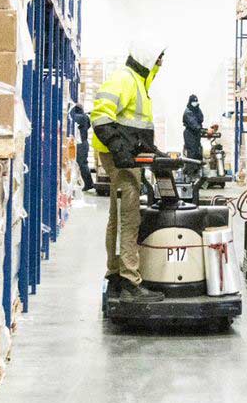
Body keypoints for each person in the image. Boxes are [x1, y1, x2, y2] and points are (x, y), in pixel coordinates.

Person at [90, 42, 165, 300]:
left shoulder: (140, 84)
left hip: (127, 158)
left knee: (118, 215)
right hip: (119, 159)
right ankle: (129, 281)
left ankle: (114, 274)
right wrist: (118, 148)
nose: (161, 63)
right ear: (147, 57)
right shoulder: (124, 79)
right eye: (158, 57)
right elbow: (100, 115)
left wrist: (153, 151)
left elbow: (135, 128)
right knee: (128, 217)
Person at [68, 103, 94, 191]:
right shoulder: (85, 117)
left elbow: (72, 118)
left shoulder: (81, 117)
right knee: (82, 164)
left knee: (82, 164)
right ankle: (88, 183)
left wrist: (69, 110)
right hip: (83, 143)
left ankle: (89, 184)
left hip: (81, 144)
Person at [182, 94, 205, 162]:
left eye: (196, 101)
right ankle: (191, 170)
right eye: (193, 101)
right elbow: (194, 124)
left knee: (198, 151)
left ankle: (196, 169)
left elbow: (201, 118)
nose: (195, 103)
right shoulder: (188, 112)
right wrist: (202, 130)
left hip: (196, 134)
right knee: (192, 152)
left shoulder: (197, 109)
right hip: (190, 133)